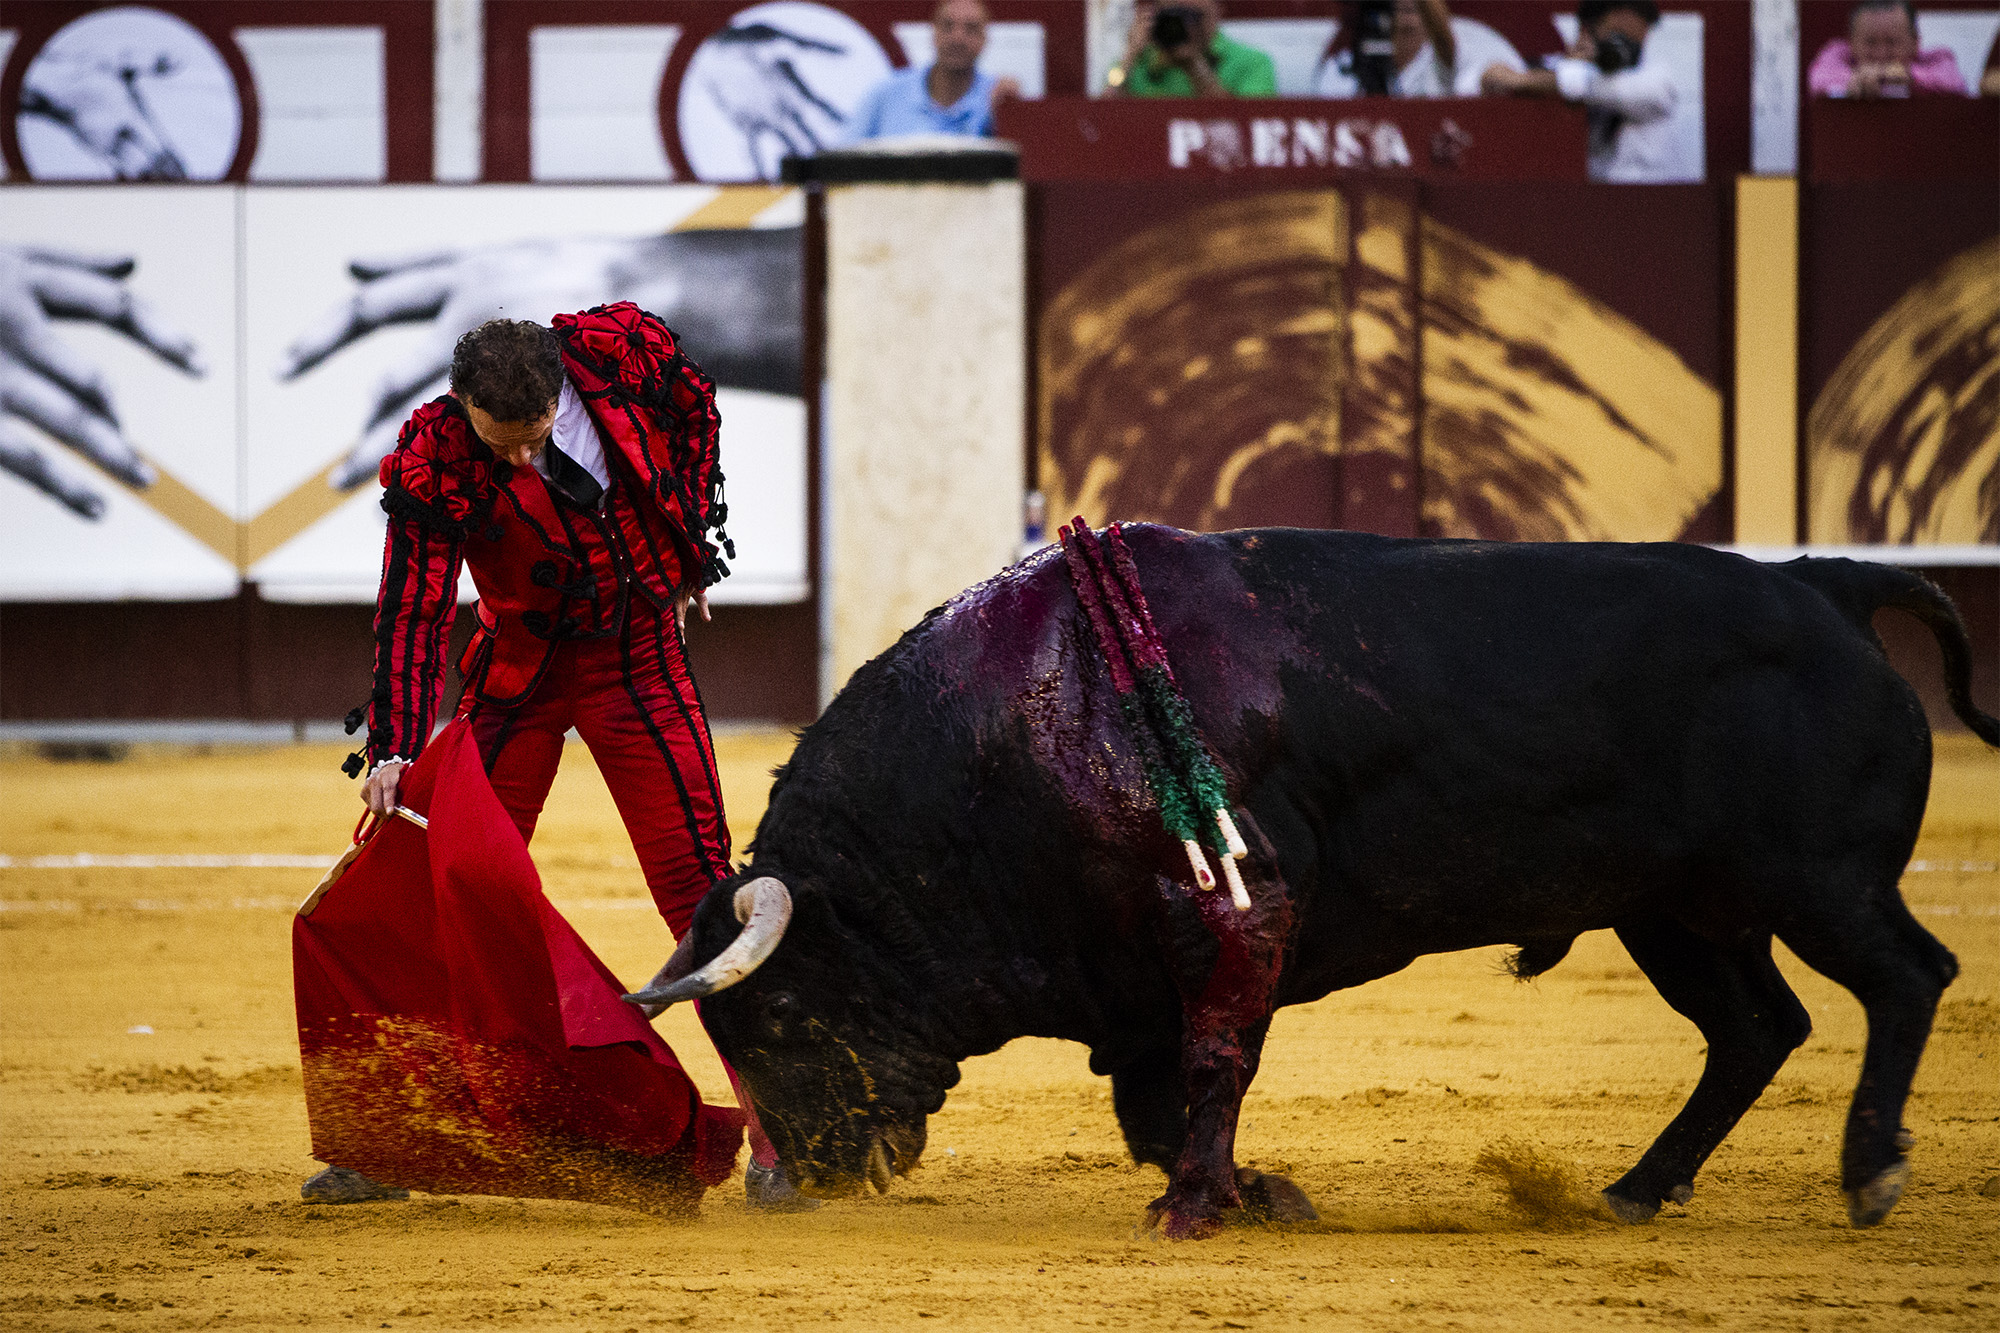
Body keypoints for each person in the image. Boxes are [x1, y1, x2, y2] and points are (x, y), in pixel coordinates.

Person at [303, 308, 813, 1212]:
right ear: (461, 406)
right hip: (515, 679)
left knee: (699, 884)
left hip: (637, 659)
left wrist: (687, 541)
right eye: (498, 446)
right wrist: (393, 743)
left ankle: (781, 1137)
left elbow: (698, 414)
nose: (519, 463)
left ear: (559, 398)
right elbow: (414, 606)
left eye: (534, 440)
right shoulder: (436, 456)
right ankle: (395, 1133)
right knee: (431, 871)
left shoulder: (620, 360)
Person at [1478, 0, 1695, 184]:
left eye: (1636, 41)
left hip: (1648, 200)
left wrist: (1545, 79)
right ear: (1586, 30)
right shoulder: (1556, 67)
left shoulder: (1656, 76)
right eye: (1617, 37)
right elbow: (1490, 79)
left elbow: (1609, 89)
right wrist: (1569, 68)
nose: (1626, 49)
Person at [845, 0, 1020, 140]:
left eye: (971, 28)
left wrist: (1009, 114)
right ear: (933, 33)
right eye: (948, 26)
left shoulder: (997, 98)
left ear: (985, 40)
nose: (957, 38)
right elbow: (841, 162)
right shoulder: (886, 94)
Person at [1106, 0, 1278, 97]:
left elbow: (1247, 129)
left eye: (1192, 16)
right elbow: (1100, 119)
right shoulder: (1135, 66)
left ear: (1217, 11)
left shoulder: (1253, 63)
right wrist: (1128, 57)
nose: (1183, 26)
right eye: (1174, 17)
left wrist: (1195, 67)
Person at [1808, 1, 1968, 98]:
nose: (1881, 53)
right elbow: (1818, 79)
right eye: (1870, 42)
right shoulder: (1838, 53)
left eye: (1892, 42)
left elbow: (1955, 82)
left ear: (1915, 42)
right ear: (1852, 43)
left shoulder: (1937, 58)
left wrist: (1907, 76)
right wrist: (1858, 79)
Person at [1316, 0, 1460, 98]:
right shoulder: (1343, 64)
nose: (1409, 21)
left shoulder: (1435, 63)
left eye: (1415, 11)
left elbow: (1443, 36)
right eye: (1401, 10)